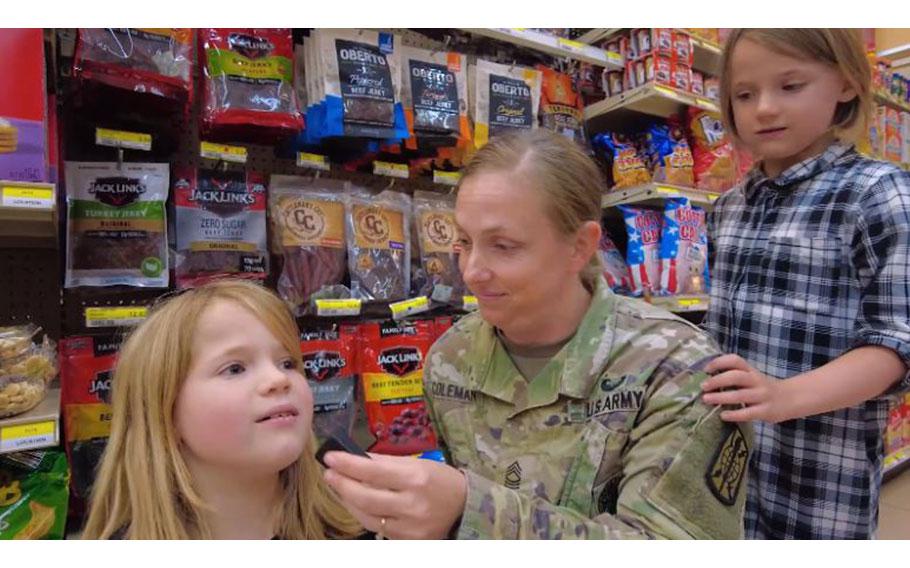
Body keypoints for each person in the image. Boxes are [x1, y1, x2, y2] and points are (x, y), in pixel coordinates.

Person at [323, 129, 752, 539]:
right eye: (465, 242)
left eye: (504, 246)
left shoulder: (675, 367)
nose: (472, 272)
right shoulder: (449, 359)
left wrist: (468, 511)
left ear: (580, 246)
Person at [700, 29, 910, 539]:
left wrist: (784, 395)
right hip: (723, 473)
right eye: (744, 94)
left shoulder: (878, 194)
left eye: (790, 86)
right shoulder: (726, 209)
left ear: (844, 83)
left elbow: (896, 342)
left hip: (819, 483)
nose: (764, 109)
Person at [82, 280, 363, 539]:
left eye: (288, 363)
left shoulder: (360, 527)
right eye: (235, 368)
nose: (279, 380)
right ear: (165, 412)